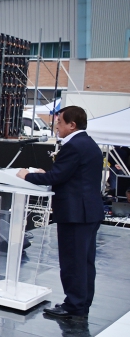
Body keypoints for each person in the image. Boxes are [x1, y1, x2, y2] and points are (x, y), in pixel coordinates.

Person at [18, 106, 104, 319]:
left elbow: (57, 178)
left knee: (73, 262)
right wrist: (48, 173)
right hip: (89, 212)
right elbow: (70, 175)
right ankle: (81, 304)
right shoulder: (88, 143)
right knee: (84, 262)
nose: (56, 126)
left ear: (72, 125)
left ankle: (73, 305)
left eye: (60, 123)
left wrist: (27, 175)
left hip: (76, 214)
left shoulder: (74, 146)